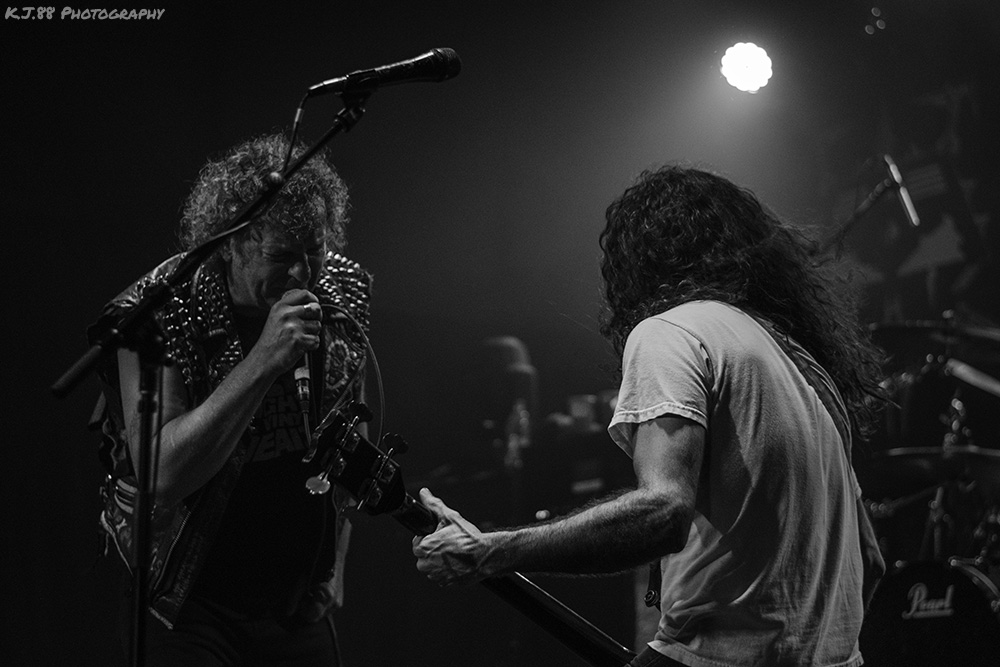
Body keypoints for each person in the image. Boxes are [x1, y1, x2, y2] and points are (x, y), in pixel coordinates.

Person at [412, 165, 887, 667]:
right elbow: (870, 559)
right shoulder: (808, 369)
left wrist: (491, 551)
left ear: (637, 261)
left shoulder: (672, 331)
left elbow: (663, 512)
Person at [89, 133, 371, 666]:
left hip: (293, 603)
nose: (304, 274)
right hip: (185, 604)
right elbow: (163, 474)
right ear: (228, 244)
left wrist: (336, 561)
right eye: (281, 256)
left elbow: (349, 443)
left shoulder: (340, 290)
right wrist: (263, 359)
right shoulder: (160, 308)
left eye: (314, 250)